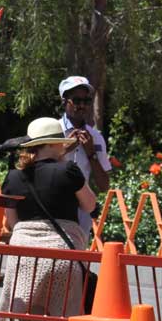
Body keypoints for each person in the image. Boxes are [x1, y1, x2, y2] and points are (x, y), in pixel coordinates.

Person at [0, 117, 97, 321]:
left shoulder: (13, 178)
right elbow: (90, 204)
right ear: (54, 144)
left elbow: (12, 222)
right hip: (61, 256)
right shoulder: (69, 171)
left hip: (24, 257)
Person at [58, 76, 111, 245]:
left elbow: (104, 186)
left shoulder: (95, 137)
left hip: (81, 212)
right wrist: (66, 149)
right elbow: (34, 166)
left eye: (87, 101)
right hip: (52, 207)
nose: (82, 105)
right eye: (77, 100)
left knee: (76, 266)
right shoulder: (53, 130)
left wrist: (91, 154)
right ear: (64, 101)